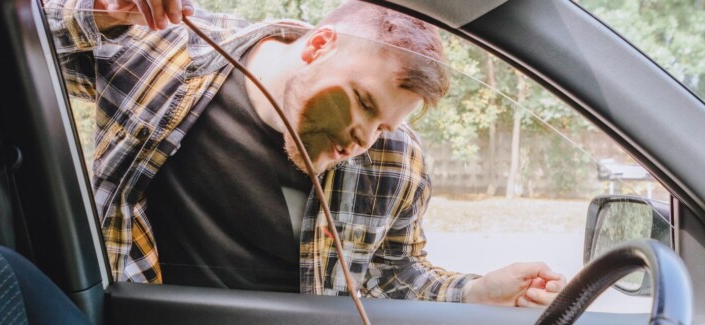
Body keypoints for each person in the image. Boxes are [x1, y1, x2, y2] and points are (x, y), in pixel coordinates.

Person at [45, 0, 567, 307]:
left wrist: (475, 294)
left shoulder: (397, 160)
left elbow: (395, 272)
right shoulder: (170, 49)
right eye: (363, 103)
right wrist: (102, 9)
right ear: (319, 46)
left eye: (383, 124)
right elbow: (19, 39)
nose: (365, 138)